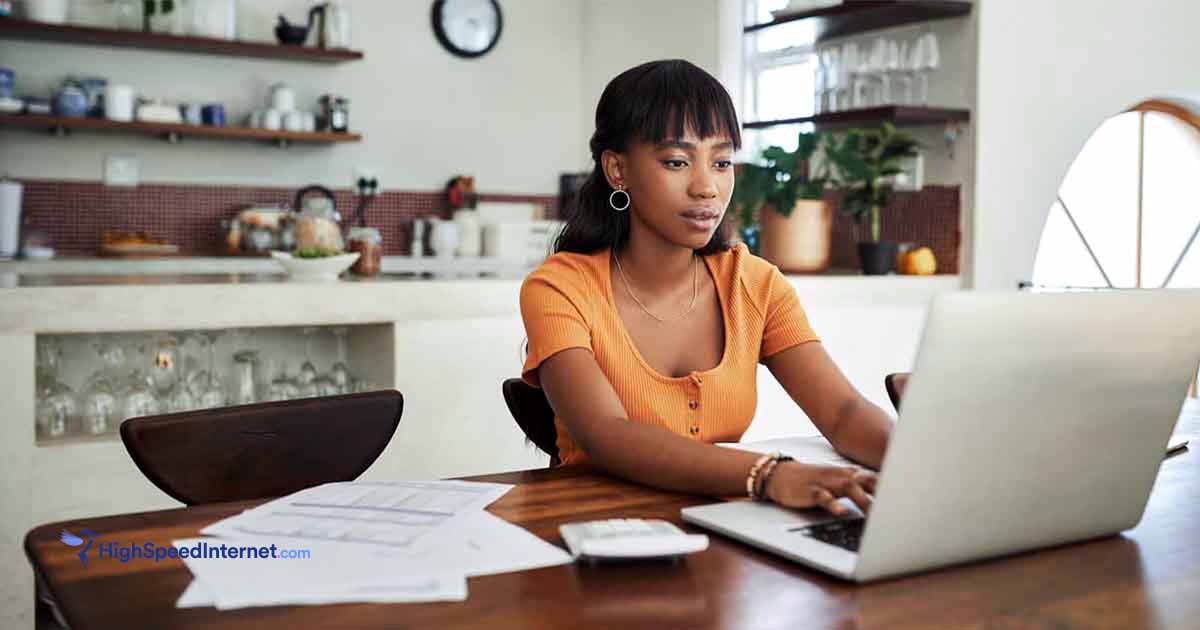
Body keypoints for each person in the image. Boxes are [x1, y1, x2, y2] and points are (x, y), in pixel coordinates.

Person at [519, 60, 893, 516]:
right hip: (596, 536)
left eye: (721, 162)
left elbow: (843, 413)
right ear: (618, 170)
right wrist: (768, 475)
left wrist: (921, 465)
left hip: (726, 532)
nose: (707, 188)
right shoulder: (560, 287)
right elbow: (606, 434)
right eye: (677, 162)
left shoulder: (755, 284)